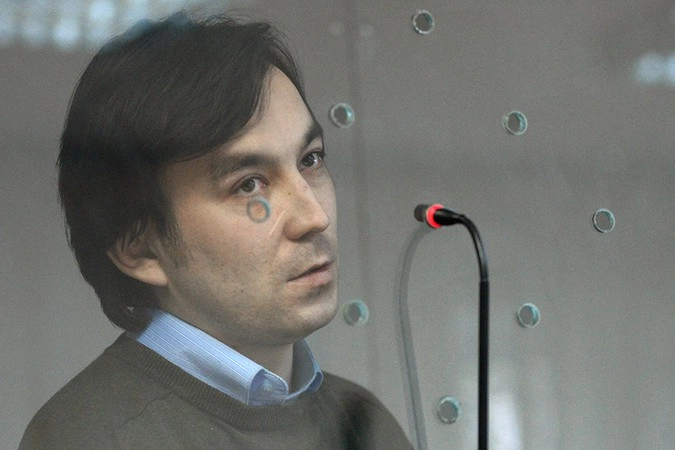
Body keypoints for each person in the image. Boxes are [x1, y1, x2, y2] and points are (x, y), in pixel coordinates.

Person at [19, 11, 411, 450]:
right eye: (248, 185)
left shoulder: (366, 425)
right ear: (140, 250)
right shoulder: (90, 438)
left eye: (310, 160)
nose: (314, 217)